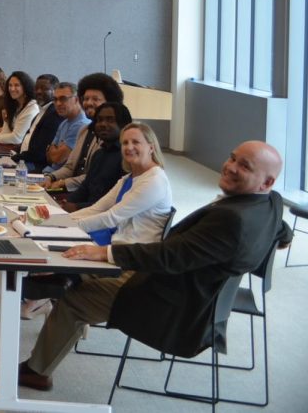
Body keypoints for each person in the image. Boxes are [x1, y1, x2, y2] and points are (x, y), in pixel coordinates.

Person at [18, 141, 291, 392]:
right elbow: (282, 230)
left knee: (76, 300)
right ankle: (60, 280)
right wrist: (281, 239)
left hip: (173, 302)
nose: (231, 167)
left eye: (244, 166)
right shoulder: (270, 204)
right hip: (183, 284)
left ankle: (37, 371)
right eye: (232, 158)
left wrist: (105, 252)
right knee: (86, 265)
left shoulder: (232, 220)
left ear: (266, 182)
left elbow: (169, 256)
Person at [20, 121, 172, 319]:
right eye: (125, 143)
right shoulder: (130, 178)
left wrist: (61, 228)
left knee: (55, 251)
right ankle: (39, 296)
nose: (129, 147)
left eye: (136, 142)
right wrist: (57, 222)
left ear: (151, 146)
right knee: (50, 245)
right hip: (115, 242)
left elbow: (111, 217)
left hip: (129, 256)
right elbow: (96, 208)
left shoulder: (155, 181)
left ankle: (41, 296)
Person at [45, 72, 124, 191]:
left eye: (95, 99)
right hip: (73, 190)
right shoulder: (84, 130)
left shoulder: (111, 134)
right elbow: (70, 167)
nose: (88, 103)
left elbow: (96, 176)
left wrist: (63, 183)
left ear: (109, 102)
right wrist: (51, 177)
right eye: (86, 98)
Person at [61, 101, 132, 211]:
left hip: (103, 216)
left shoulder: (127, 157)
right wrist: (67, 202)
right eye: (99, 120)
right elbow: (85, 187)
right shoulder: (99, 154)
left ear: (123, 124)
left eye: (110, 120)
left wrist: (76, 207)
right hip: (86, 210)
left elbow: (115, 201)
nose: (103, 124)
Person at [14, 73, 59, 171]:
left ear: (55, 92)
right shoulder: (41, 111)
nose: (38, 92)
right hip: (24, 159)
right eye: (36, 88)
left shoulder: (54, 114)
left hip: (37, 166)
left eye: (44, 88)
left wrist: (15, 158)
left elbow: (40, 153)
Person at [43, 82, 90, 175]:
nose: (58, 103)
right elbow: (49, 157)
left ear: (76, 100)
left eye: (63, 99)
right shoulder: (64, 123)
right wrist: (54, 150)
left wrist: (55, 149)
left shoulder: (81, 125)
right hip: (49, 174)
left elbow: (57, 158)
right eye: (55, 99)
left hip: (61, 179)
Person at [0, 71, 39, 145]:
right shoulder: (14, 105)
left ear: (25, 87)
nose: (12, 89)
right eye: (10, 85)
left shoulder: (32, 108)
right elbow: (5, 132)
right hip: (10, 148)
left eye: (17, 85)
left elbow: (16, 138)